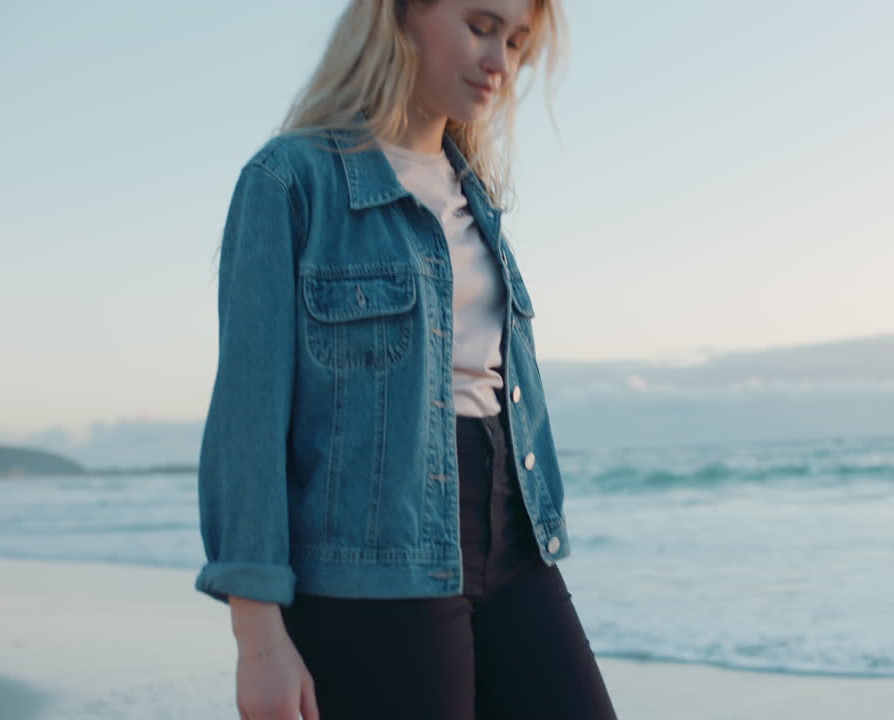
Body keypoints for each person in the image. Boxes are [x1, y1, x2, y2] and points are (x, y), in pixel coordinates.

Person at [192, 1, 618, 718]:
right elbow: (248, 419)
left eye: (516, 43)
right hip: (376, 568)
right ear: (400, 15)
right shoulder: (292, 182)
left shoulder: (474, 197)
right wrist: (258, 637)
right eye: (481, 27)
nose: (501, 63)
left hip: (515, 545)